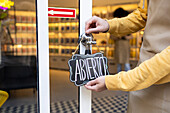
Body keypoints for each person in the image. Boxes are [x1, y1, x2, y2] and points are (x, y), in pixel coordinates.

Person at [84, 0, 170, 113]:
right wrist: (108, 25)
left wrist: (115, 81)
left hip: (163, 82)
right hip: (141, 78)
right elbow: (142, 15)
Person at [111, 8, 132, 72]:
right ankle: (119, 78)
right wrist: (120, 36)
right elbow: (112, 36)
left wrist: (124, 37)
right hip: (118, 47)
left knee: (126, 65)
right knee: (118, 65)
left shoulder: (126, 26)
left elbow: (131, 36)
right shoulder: (115, 26)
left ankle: (128, 78)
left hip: (125, 47)